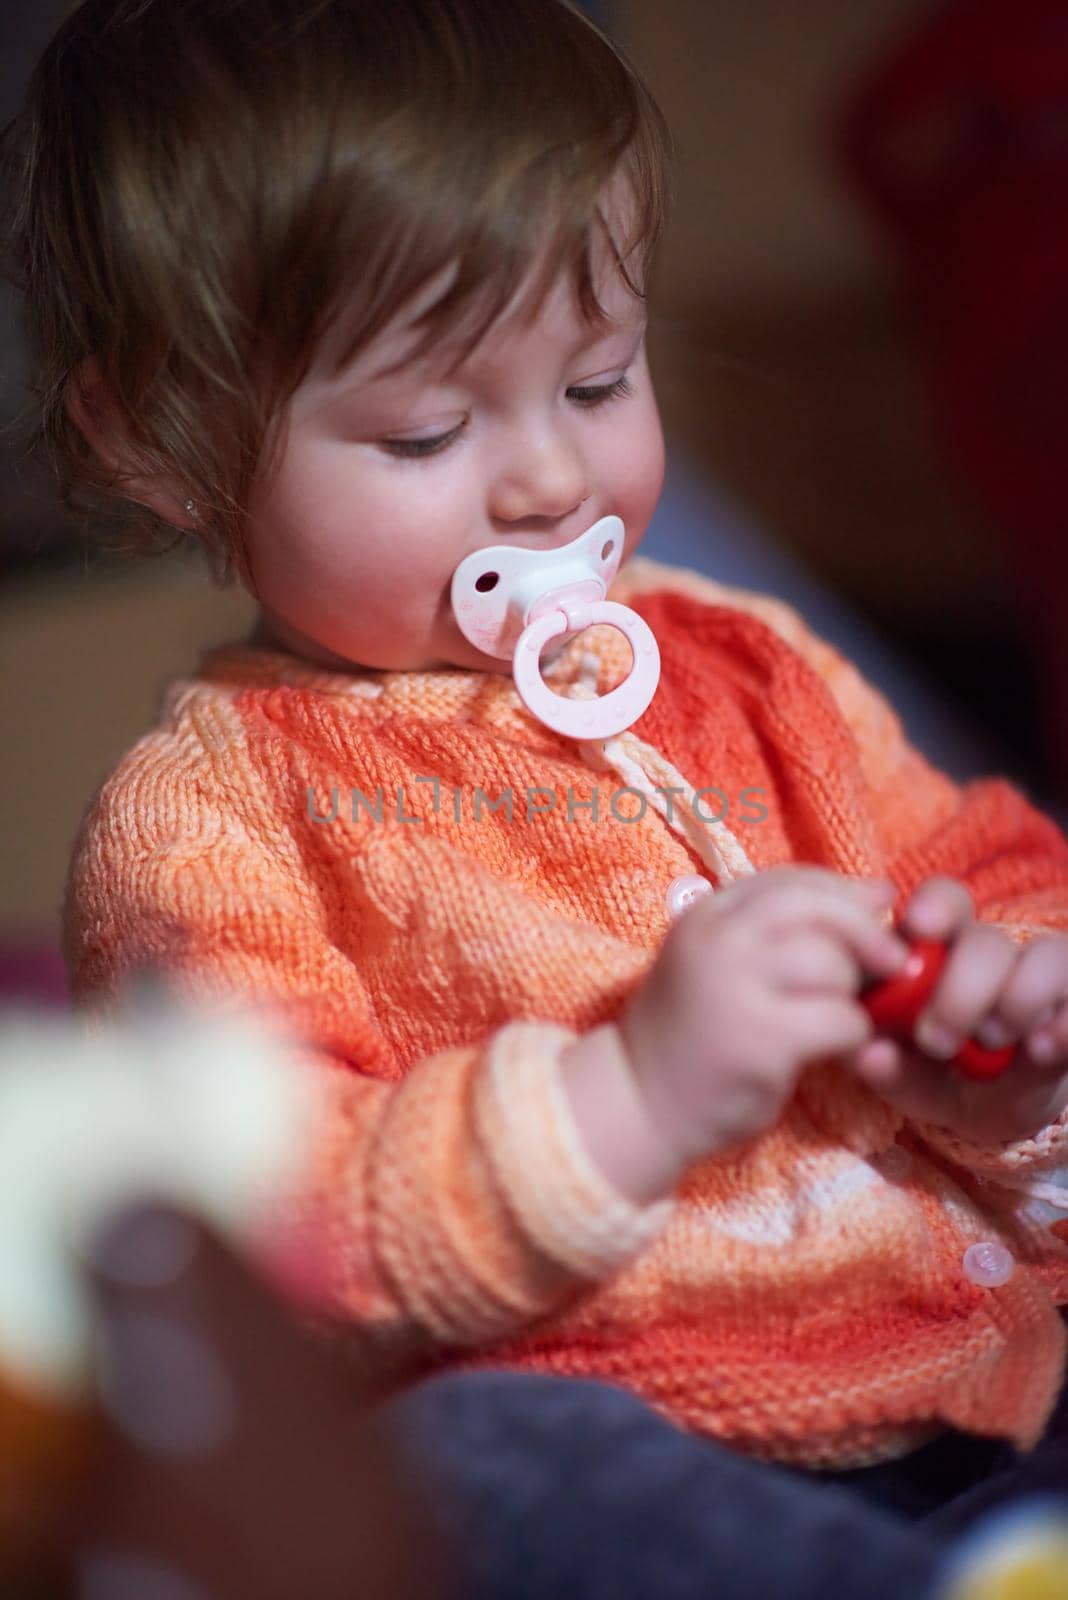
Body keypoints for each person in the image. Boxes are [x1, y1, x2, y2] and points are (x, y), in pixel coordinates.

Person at [4, 0, 1068, 1593]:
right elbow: (276, 1221)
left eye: (596, 381)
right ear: (160, 441)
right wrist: (627, 1096)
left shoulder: (747, 660)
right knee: (468, 1462)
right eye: (429, 427)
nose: (552, 484)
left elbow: (985, 868)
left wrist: (1008, 1053)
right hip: (640, 1435)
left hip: (977, 1366)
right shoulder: (214, 821)